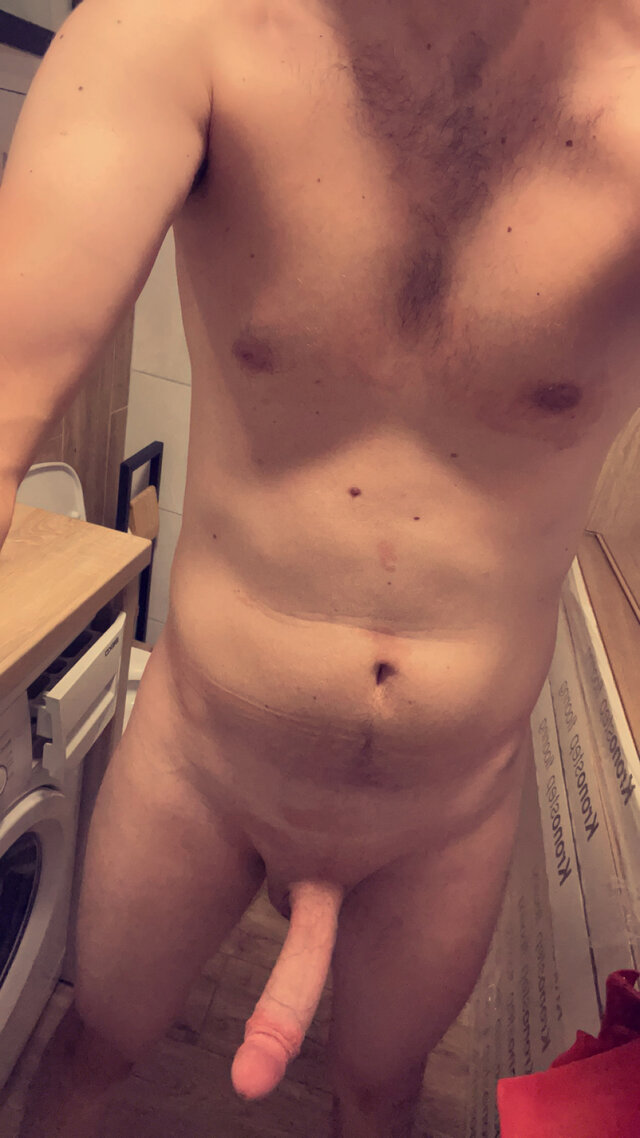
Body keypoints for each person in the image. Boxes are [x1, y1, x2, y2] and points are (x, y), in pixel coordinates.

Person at [1, 0, 638, 1134]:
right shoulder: (177, 28)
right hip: (204, 764)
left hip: (447, 809)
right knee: (93, 1044)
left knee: (378, 1097)